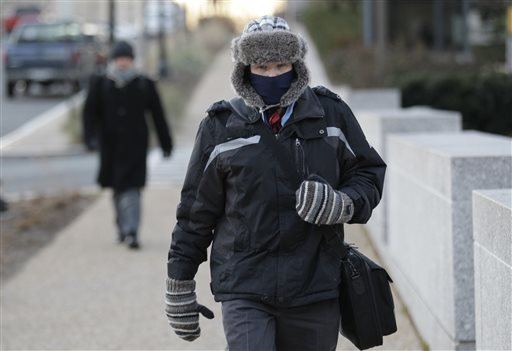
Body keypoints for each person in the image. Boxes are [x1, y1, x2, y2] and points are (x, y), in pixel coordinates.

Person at [165, 16, 386, 350]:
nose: (272, 75)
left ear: (296, 65)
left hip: (315, 286)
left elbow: (369, 175)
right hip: (245, 286)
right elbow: (196, 212)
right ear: (245, 69)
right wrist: (179, 283)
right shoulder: (220, 126)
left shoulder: (332, 115)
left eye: (281, 65)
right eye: (262, 67)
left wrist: (341, 204)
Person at [82, 41, 173, 249]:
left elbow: (158, 115)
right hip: (110, 146)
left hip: (135, 146)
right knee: (116, 188)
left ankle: (132, 231)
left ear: (132, 60)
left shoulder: (144, 83)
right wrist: (90, 139)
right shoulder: (100, 82)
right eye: (119, 59)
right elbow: (89, 114)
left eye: (127, 59)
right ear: (113, 60)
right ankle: (122, 227)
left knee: (132, 188)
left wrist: (165, 142)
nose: (123, 63)